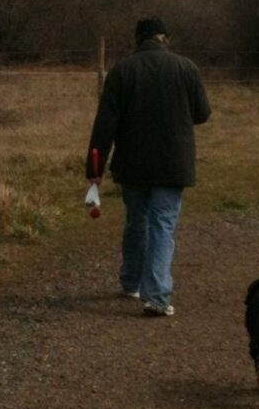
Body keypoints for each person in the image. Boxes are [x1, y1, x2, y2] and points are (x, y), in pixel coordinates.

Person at [86, 16, 211, 317]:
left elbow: (104, 126)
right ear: (164, 38)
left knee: (136, 222)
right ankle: (156, 297)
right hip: (173, 164)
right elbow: (202, 113)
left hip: (132, 163)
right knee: (162, 226)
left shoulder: (121, 71)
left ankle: (131, 282)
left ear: (138, 40)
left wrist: (94, 169)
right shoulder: (186, 68)